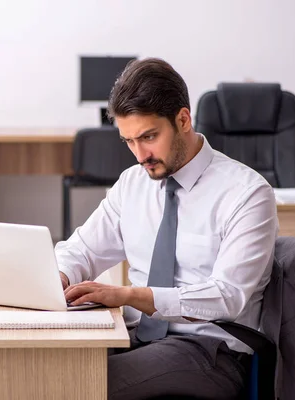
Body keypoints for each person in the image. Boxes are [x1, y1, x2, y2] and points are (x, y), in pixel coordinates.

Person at [55, 58, 278, 399]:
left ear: (183, 120)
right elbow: (83, 250)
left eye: (148, 137)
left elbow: (227, 296)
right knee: (46, 364)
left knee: (78, 384)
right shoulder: (132, 184)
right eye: (128, 141)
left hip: (211, 349)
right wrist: (60, 276)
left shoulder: (246, 193)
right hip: (134, 336)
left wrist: (131, 295)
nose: (139, 154)